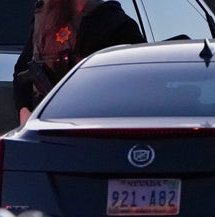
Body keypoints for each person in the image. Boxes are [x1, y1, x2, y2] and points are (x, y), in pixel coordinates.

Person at [13, 0, 145, 125]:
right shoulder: (43, 21)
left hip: (93, 127)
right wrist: (24, 110)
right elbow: (22, 71)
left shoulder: (116, 24)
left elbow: (143, 81)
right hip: (47, 128)